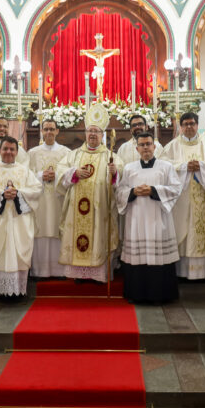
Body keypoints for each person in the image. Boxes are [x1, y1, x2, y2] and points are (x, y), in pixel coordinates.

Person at [56, 104, 124, 282]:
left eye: (96, 131)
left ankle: (98, 275)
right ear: (85, 134)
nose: (92, 134)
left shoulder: (111, 156)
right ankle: (79, 274)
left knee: (99, 238)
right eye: (89, 131)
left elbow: (121, 177)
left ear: (102, 135)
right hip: (76, 210)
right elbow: (60, 172)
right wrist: (73, 173)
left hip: (99, 210)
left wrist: (114, 172)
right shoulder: (74, 155)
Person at [117, 132, 182, 303]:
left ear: (154, 147)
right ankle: (137, 295)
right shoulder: (129, 168)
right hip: (136, 219)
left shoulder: (166, 167)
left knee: (159, 256)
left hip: (158, 219)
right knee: (138, 258)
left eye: (148, 144)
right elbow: (120, 191)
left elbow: (175, 188)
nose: (146, 147)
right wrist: (133, 191)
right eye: (142, 145)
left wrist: (153, 190)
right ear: (137, 148)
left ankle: (160, 295)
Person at [0, 136, 43, 298]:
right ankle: (2, 293)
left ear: (17, 152)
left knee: (19, 252)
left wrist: (18, 194)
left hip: (19, 221)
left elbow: (36, 190)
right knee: (0, 253)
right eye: (5, 149)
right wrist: (1, 194)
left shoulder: (24, 170)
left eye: (12, 149)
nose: (8, 152)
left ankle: (19, 291)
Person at [159, 112, 205, 279]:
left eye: (192, 124)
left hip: (203, 194)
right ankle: (182, 273)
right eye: (185, 124)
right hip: (182, 199)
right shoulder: (172, 146)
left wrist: (201, 165)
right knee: (184, 230)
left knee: (203, 230)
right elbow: (164, 166)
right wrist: (183, 167)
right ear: (181, 127)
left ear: (197, 125)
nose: (189, 127)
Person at [27, 119, 70, 278]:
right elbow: (26, 176)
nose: (49, 132)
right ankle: (40, 271)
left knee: (57, 229)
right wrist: (40, 175)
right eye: (46, 129)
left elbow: (70, 175)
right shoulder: (32, 153)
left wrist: (57, 176)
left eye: (52, 129)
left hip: (58, 199)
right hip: (40, 201)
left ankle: (60, 271)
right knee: (41, 230)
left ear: (57, 131)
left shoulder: (66, 153)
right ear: (41, 131)